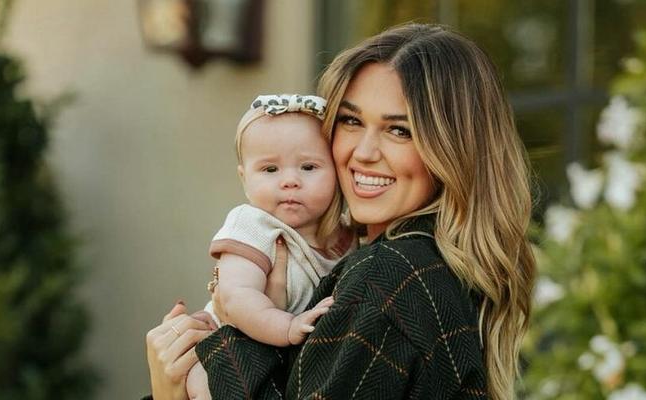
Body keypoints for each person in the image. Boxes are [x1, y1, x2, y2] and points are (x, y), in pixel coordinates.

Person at [145, 23, 536, 400]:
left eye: (399, 130)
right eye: (350, 121)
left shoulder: (387, 276)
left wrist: (227, 338)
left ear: (453, 149)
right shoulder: (429, 267)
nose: (363, 152)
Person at [183, 94, 356, 400]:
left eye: (308, 167)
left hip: (290, 369)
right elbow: (236, 297)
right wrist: (286, 326)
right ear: (244, 179)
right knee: (201, 384)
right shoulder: (253, 225)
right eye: (270, 170)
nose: (290, 180)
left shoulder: (349, 234)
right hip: (226, 352)